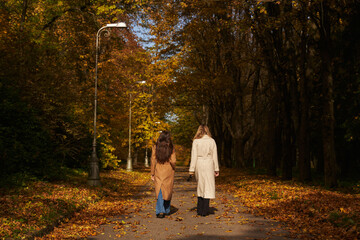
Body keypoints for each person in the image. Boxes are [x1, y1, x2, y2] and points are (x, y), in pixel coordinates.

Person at [189, 125, 219, 216]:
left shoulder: (196, 141)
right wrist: (216, 168)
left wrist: (191, 169)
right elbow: (214, 156)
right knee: (208, 186)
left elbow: (193, 156)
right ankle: (205, 210)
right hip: (209, 164)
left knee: (200, 185)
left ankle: (200, 209)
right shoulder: (212, 141)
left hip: (199, 163)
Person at [151, 131, 176, 218]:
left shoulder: (155, 146)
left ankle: (159, 211)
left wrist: (152, 173)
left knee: (159, 190)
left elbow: (153, 159)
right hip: (168, 169)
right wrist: (173, 167)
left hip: (159, 169)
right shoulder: (171, 147)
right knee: (167, 190)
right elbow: (173, 161)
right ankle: (167, 210)